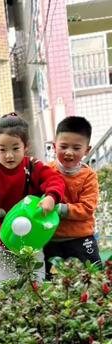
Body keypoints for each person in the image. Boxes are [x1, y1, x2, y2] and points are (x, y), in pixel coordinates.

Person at [0, 113, 65, 283]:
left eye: (15, 148)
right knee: (6, 285)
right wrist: (4, 241)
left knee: (34, 281)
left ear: (26, 147)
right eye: (2, 149)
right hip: (3, 240)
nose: (9, 155)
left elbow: (55, 180)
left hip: (32, 238)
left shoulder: (33, 166)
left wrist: (51, 197)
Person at [44, 116, 101, 276]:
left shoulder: (88, 176)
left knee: (92, 280)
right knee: (55, 286)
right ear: (55, 146)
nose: (69, 152)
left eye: (76, 148)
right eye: (63, 146)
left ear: (87, 150)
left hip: (81, 239)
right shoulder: (46, 171)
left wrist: (60, 209)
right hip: (51, 240)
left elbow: (87, 208)